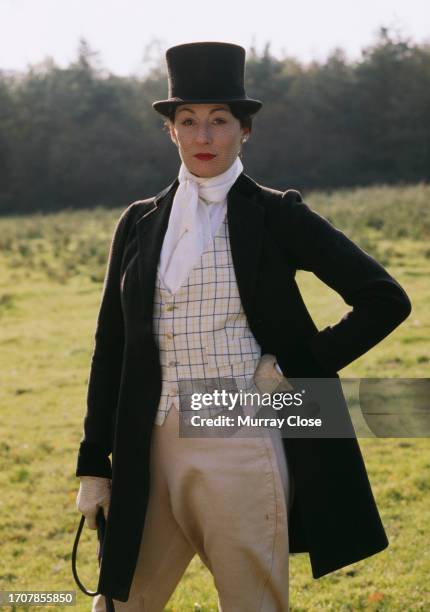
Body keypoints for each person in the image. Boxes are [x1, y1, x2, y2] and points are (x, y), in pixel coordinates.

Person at [76, 42, 412, 611]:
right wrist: (93, 463)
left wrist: (294, 368)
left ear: (244, 130)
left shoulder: (278, 214)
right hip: (144, 440)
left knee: (251, 603)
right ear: (172, 131)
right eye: (189, 121)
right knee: (119, 603)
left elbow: (384, 298)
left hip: (238, 432)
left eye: (219, 121)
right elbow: (110, 346)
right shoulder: (138, 223)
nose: (204, 137)